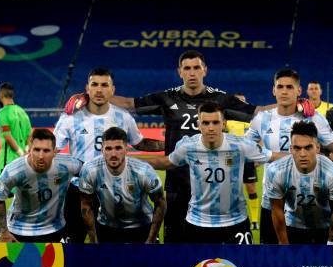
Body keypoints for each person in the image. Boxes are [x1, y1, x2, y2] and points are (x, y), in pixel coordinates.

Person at [102, 50, 260, 243]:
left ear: (205, 70)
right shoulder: (167, 98)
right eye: (187, 68)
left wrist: (294, 105)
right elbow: (129, 103)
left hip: (212, 187)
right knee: (175, 246)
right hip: (177, 183)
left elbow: (256, 111)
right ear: (180, 72)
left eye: (196, 68)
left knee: (215, 245)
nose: (192, 73)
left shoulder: (221, 99)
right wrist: (93, 95)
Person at [146, 101, 282, 244]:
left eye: (215, 122)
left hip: (236, 223)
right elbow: (166, 162)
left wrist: (301, 158)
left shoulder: (240, 145)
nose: (211, 128)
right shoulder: (188, 147)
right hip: (197, 223)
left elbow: (273, 156)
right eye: (206, 123)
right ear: (198, 125)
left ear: (223, 124)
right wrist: (134, 161)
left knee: (241, 266)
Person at [54, 67, 164, 243]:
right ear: (87, 88)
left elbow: (140, 143)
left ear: (112, 90)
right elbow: (53, 151)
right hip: (80, 188)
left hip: (115, 188)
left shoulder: (123, 117)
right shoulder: (70, 118)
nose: (99, 90)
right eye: (94, 84)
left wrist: (168, 144)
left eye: (104, 85)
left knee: (111, 245)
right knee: (71, 244)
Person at [245, 68, 333, 244]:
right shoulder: (261, 118)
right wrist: (271, 155)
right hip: (272, 200)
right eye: (280, 87)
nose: (284, 91)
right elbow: (246, 149)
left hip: (310, 202)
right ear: (273, 90)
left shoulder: (314, 118)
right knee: (272, 258)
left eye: (290, 87)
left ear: (299, 91)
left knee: (314, 263)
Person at [0, 128, 82, 243]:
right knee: (24, 262)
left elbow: (90, 172)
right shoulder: (14, 170)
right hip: (19, 230)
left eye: (46, 151)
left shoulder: (67, 164)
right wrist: (3, 231)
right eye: (36, 150)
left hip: (54, 229)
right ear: (30, 149)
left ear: (55, 151)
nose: (40, 156)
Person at [79, 127, 166, 244]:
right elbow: (86, 205)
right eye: (108, 148)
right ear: (102, 150)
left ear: (126, 149)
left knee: (143, 262)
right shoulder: (90, 170)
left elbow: (160, 203)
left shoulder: (143, 171)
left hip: (142, 227)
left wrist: (150, 240)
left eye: (118, 148)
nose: (113, 154)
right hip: (106, 227)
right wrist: (94, 240)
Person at [265, 121, 333, 244]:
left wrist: (331, 240)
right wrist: (284, 244)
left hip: (323, 227)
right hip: (292, 225)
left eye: (308, 147)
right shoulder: (276, 171)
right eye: (297, 148)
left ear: (317, 147)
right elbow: (277, 210)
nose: (303, 154)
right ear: (291, 149)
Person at [225, 93, 261, 231]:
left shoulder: (252, 121)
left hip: (247, 159)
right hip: (230, 160)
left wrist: (257, 154)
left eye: (244, 102)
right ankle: (231, 219)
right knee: (229, 189)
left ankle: (255, 220)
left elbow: (261, 137)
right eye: (239, 101)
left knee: (251, 189)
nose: (242, 104)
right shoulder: (227, 120)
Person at [0, 82, 32, 180]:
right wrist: (26, 151)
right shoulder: (22, 112)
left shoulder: (2, 113)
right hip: (23, 160)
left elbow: (7, 136)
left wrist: (20, 153)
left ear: (1, 95)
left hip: (7, 161)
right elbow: (29, 135)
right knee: (19, 193)